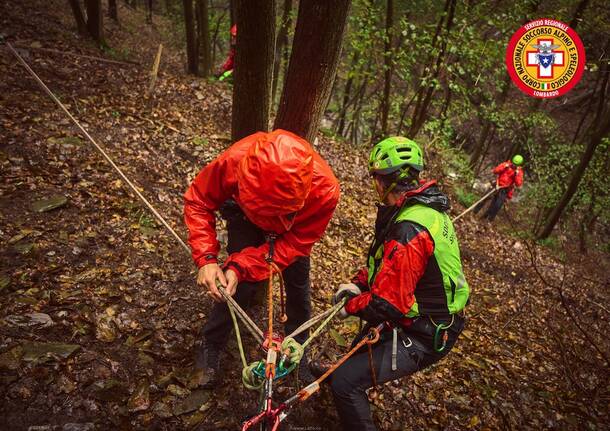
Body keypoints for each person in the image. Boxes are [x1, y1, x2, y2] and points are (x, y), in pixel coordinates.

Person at [317, 137, 468, 431]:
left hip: (427, 334)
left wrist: (350, 305)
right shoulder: (423, 210)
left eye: (375, 178)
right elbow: (388, 266)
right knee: (357, 351)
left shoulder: (410, 228)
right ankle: (338, 374)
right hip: (423, 319)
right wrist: (359, 284)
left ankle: (343, 383)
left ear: (385, 182)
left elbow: (387, 305)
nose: (373, 184)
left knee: (347, 385)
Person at [184, 129, 340, 388]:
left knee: (299, 292)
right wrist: (207, 258)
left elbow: (295, 244)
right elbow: (199, 199)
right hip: (244, 215)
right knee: (237, 287)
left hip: (291, 233)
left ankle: (296, 352)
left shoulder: (324, 191)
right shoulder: (234, 161)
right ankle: (211, 343)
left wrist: (243, 265)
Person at [474, 155, 524, 221]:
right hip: (496, 185)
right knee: (485, 198)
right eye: (513, 164)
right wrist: (503, 167)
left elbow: (518, 184)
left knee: (496, 206)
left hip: (504, 190)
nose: (513, 165)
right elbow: (495, 171)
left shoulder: (519, 172)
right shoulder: (506, 164)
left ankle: (487, 219)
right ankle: (474, 212)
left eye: (515, 165)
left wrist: (516, 174)